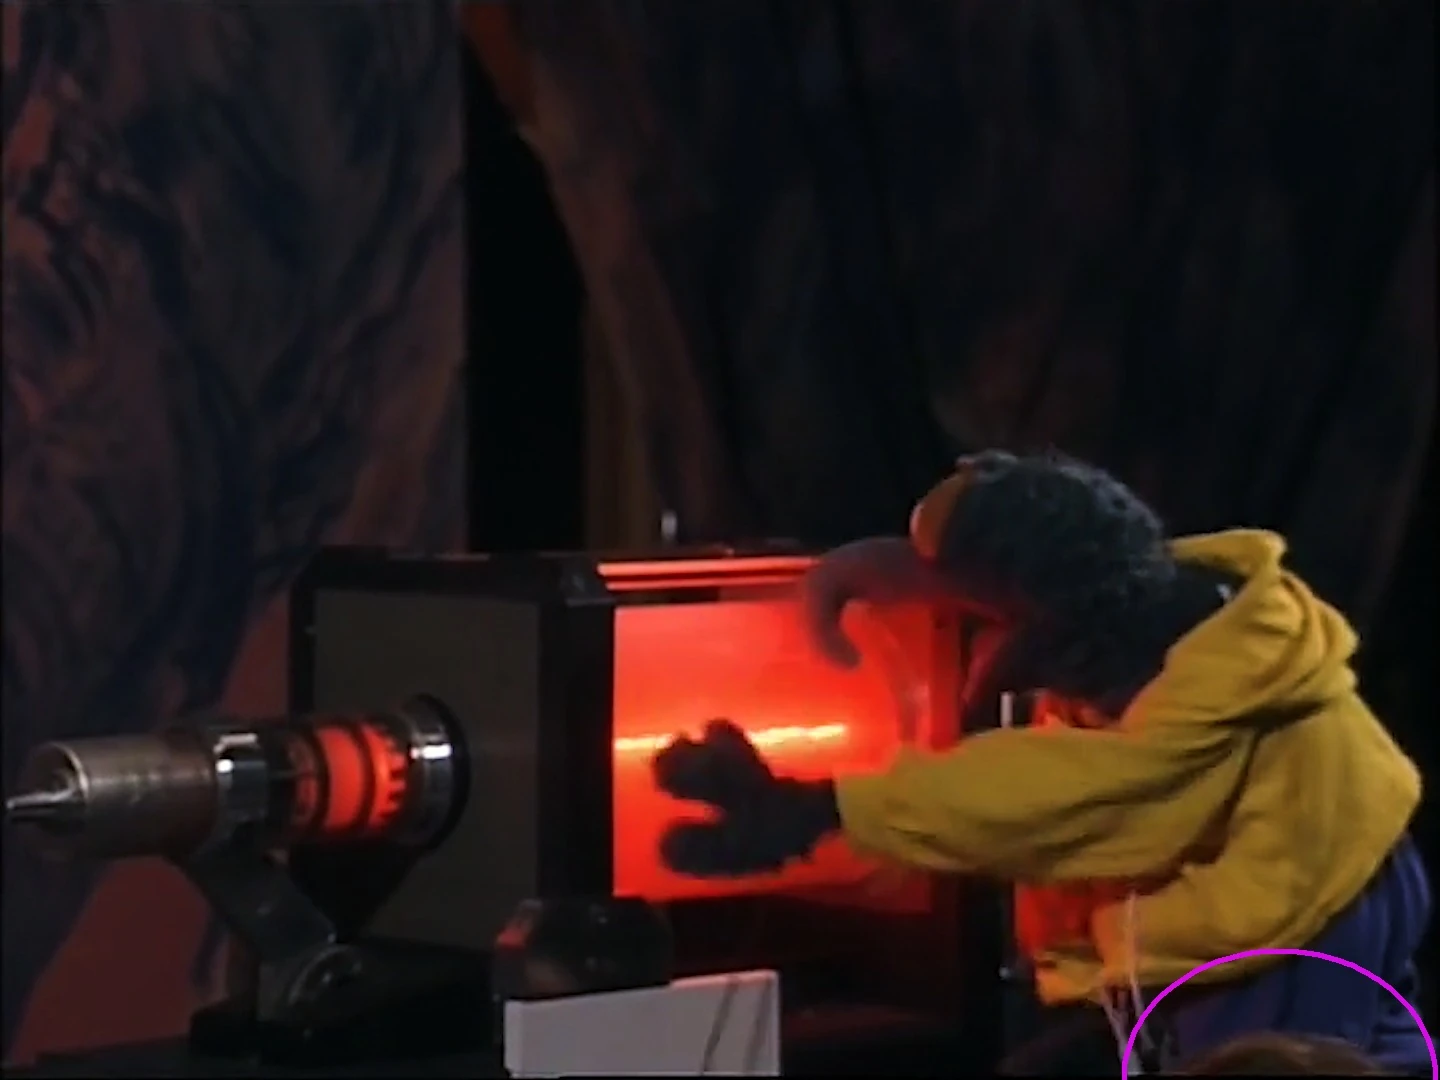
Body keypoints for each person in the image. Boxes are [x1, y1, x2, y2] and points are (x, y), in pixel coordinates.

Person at [651, 449, 1430, 1074]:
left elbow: (1058, 794)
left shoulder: (1193, 701)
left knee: (1267, 1059)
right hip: (1313, 887)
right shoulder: (1165, 628)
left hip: (1301, 903)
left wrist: (823, 808)